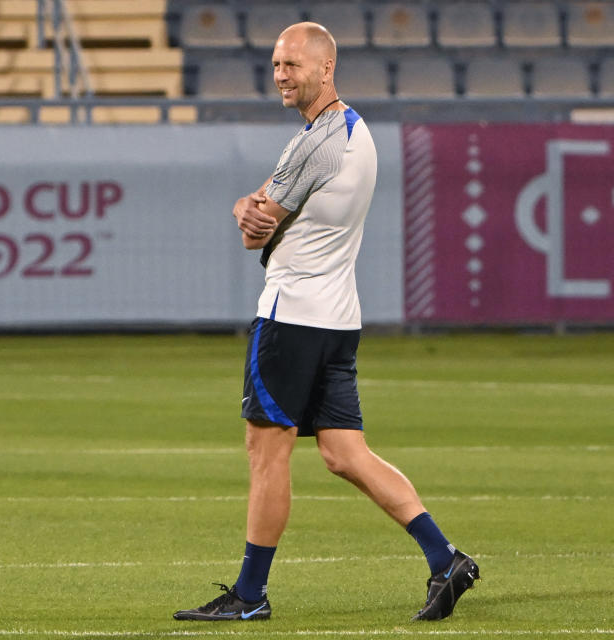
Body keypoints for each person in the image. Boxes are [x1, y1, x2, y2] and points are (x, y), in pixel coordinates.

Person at [172, 22, 479, 623]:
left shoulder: (315, 143)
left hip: (292, 318)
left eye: (292, 65)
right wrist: (249, 204)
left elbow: (255, 224)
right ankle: (445, 560)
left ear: (325, 68)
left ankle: (249, 596)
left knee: (267, 456)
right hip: (338, 317)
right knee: (345, 453)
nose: (281, 75)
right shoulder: (350, 132)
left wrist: (248, 208)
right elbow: (258, 205)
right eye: (277, 64)